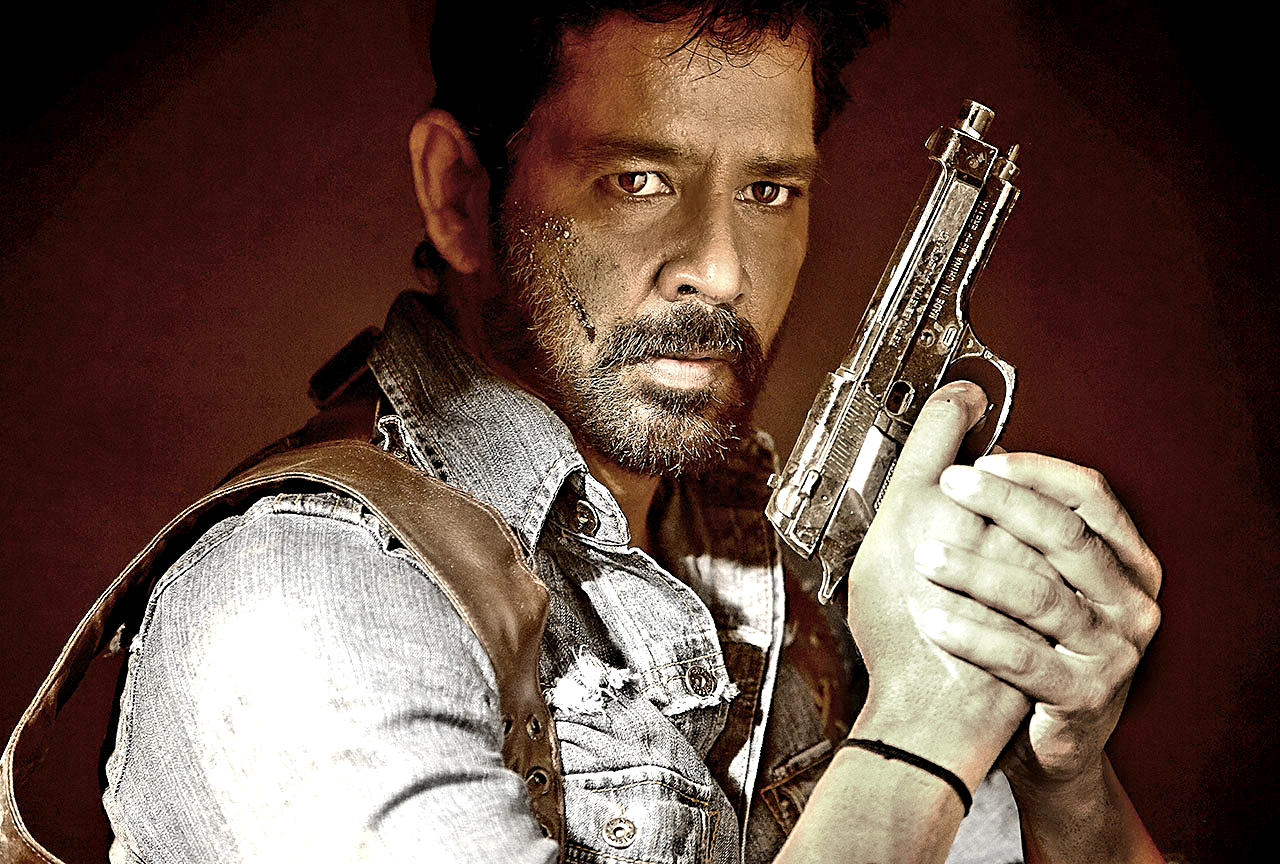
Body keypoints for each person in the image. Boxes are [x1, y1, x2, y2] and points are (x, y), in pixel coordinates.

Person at [99, 2, 1164, 862]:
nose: (722, 269)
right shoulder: (302, 594)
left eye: (768, 189)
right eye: (637, 181)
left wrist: (1065, 781)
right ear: (460, 196)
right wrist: (922, 731)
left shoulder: (796, 568)